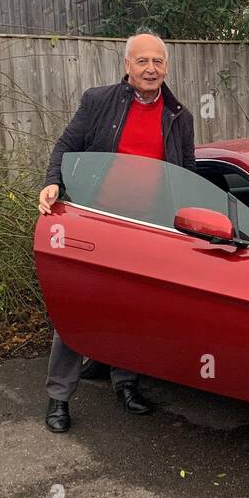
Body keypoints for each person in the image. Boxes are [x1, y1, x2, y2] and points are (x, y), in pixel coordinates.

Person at [37, 33, 197, 433]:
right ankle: (58, 397)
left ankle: (125, 382)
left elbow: (187, 176)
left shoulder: (180, 116)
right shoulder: (98, 102)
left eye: (157, 61)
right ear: (127, 65)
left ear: (166, 67)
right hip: (95, 223)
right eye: (142, 61)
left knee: (132, 308)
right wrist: (53, 181)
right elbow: (66, 145)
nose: (150, 69)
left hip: (147, 229)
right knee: (79, 308)